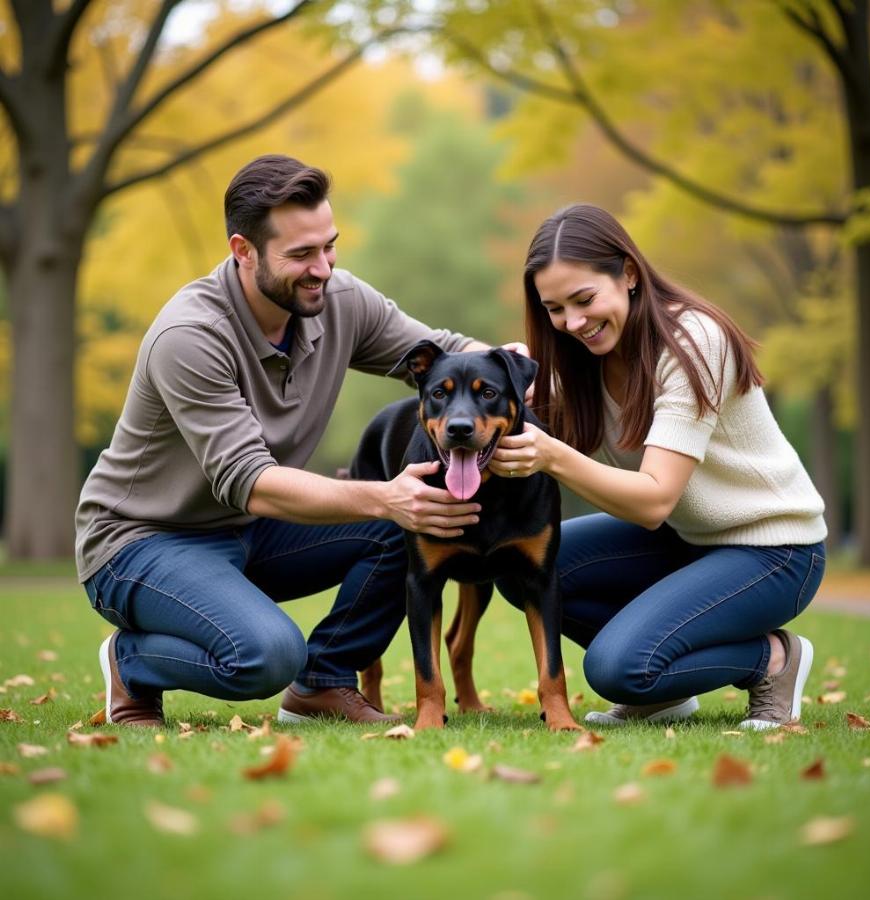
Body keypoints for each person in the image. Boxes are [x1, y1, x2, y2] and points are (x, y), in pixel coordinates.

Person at [75, 154, 502, 727]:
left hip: (247, 533)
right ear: (243, 251)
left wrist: (518, 366)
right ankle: (131, 661)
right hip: (142, 541)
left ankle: (324, 681)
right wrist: (383, 496)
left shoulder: (338, 299)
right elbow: (249, 482)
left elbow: (447, 347)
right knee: (266, 655)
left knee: (407, 521)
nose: (323, 268)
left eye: (329, 245)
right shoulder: (190, 336)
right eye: (301, 254)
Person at [489, 204, 826, 730]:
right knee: (521, 565)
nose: (574, 323)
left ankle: (772, 660)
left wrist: (553, 456)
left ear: (627, 273)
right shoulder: (584, 357)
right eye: (555, 309)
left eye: (584, 299)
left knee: (618, 668)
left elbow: (653, 500)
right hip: (687, 539)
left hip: (774, 550)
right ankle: (665, 683)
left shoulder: (694, 342)